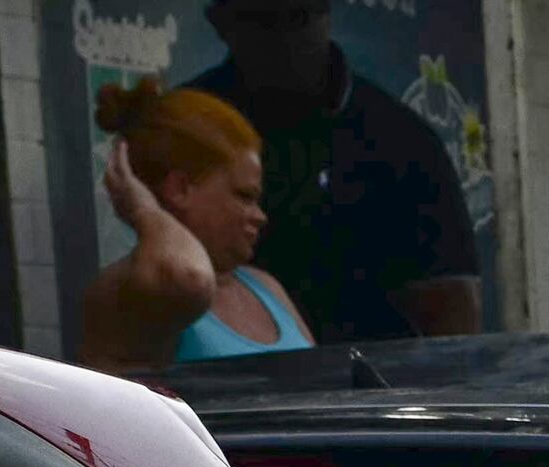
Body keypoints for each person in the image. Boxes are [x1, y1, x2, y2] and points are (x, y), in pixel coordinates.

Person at [181, 0, 476, 341]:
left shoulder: (400, 138)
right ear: (221, 24)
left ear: (327, 14)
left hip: (380, 378)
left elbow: (452, 303)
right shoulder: (189, 126)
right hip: (222, 369)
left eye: (298, 16)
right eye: (260, 19)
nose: (283, 38)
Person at [79, 84, 311, 373]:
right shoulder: (130, 289)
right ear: (181, 188)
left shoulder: (265, 287)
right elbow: (188, 278)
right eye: (244, 196)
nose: (260, 216)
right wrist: (142, 209)